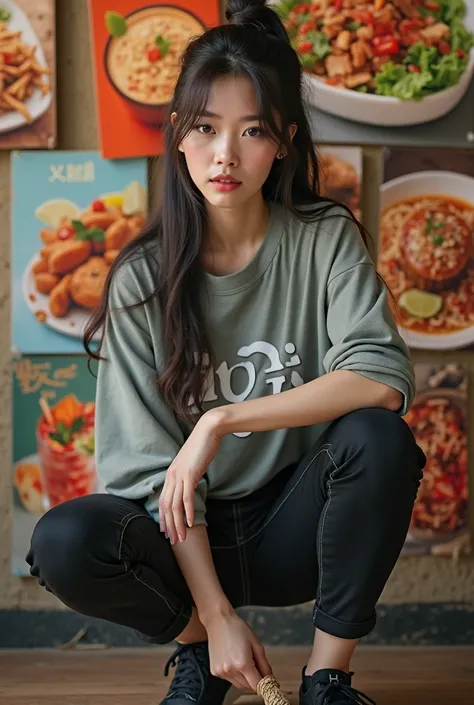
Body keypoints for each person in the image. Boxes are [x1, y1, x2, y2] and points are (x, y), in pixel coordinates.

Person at [26, 1, 426, 704]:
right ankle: (199, 655)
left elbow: (381, 377)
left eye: (254, 132)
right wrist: (213, 616)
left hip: (297, 530)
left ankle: (327, 680)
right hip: (183, 542)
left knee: (380, 439)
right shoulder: (141, 279)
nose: (226, 156)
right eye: (206, 128)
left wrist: (222, 420)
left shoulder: (324, 237)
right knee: (62, 540)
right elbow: (150, 473)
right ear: (177, 133)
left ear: (283, 142)